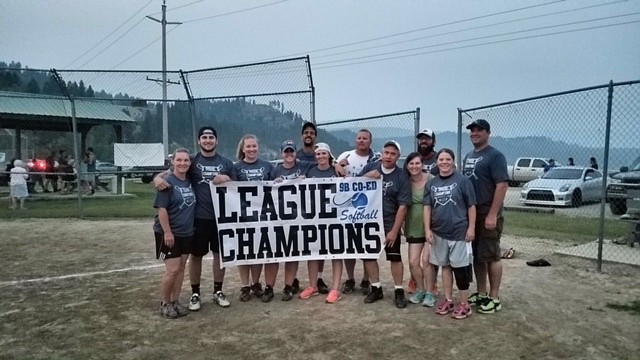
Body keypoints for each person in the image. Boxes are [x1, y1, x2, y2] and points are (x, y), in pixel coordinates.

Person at [154, 126, 236, 311]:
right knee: (196, 256)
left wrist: (226, 178)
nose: (208, 140)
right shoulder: (191, 160)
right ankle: (195, 293)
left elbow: (239, 184)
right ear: (199, 141)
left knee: (219, 255)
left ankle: (218, 291)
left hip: (221, 218)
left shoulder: (226, 162)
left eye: (211, 137)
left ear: (217, 140)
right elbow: (170, 173)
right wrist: (156, 178)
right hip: (197, 218)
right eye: (204, 137)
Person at [462, 119, 509, 314]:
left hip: (488, 212)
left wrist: (492, 214)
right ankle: (481, 293)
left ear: (488, 133)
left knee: (492, 254)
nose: (474, 133)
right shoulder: (469, 155)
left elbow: (502, 184)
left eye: (479, 130)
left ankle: (494, 297)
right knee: (478, 256)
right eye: (472, 130)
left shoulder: (495, 156)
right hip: (473, 213)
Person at [425, 148, 477, 319]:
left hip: (458, 231)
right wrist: (428, 229)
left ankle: (464, 304)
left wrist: (471, 228)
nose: (444, 162)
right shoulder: (432, 183)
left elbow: (471, 206)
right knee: (445, 267)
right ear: (437, 162)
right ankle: (448, 299)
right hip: (439, 231)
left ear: (453, 161)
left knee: (460, 268)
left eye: (448, 159)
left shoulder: (462, 181)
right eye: (441, 159)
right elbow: (427, 207)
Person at [359, 140, 411, 308]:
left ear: (398, 157)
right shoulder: (371, 167)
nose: (389, 156)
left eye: (393, 154)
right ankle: (376, 287)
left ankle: (398, 290)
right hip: (369, 221)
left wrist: (395, 230)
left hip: (389, 221)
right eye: (386, 152)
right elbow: (352, 184)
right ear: (382, 153)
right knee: (369, 256)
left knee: (395, 257)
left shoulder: (401, 176)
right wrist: (367, 176)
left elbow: (403, 206)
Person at [297, 142, 344, 303]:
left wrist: (338, 166)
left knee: (336, 252)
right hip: (315, 217)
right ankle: (313, 285)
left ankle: (336, 288)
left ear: (329, 155)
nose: (321, 156)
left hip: (335, 216)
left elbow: (347, 183)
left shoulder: (335, 170)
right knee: (313, 251)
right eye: (318, 154)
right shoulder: (310, 170)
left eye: (324, 153)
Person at [336, 129, 381, 295]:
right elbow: (336, 172)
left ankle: (365, 279)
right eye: (359, 138)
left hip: (368, 209)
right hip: (347, 208)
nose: (361, 141)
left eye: (365, 138)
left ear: (370, 141)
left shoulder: (376, 157)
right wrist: (338, 166)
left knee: (367, 246)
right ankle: (350, 278)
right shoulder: (346, 155)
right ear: (355, 140)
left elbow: (380, 174)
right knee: (349, 247)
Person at [153, 148, 196, 319]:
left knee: (181, 268)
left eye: (186, 160)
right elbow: (162, 209)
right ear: (173, 162)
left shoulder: (190, 181)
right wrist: (167, 232)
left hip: (186, 232)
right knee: (172, 269)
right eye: (179, 160)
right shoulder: (166, 182)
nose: (182, 163)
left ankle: (175, 301)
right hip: (168, 233)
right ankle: (165, 303)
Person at [234, 134, 276, 302]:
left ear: (258, 147)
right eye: (248, 146)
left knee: (259, 250)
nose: (251, 149)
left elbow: (275, 188)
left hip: (263, 215)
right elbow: (229, 188)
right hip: (243, 216)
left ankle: (256, 283)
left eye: (254, 146)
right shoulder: (236, 167)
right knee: (244, 251)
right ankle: (245, 285)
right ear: (242, 149)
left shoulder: (267, 166)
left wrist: (280, 182)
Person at [270, 140, 312, 300]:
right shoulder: (275, 170)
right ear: (281, 153)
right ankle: (270, 286)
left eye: (291, 151)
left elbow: (324, 162)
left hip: (298, 217)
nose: (289, 154)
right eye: (286, 152)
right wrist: (273, 183)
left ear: (296, 153)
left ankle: (288, 285)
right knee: (275, 252)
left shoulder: (304, 167)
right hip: (279, 217)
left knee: (292, 253)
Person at [296, 121, 329, 294]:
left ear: (315, 136)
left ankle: (319, 277)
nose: (309, 135)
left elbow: (332, 165)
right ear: (302, 136)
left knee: (320, 245)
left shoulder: (321, 155)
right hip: (301, 207)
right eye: (306, 132)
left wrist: (339, 164)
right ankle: (293, 279)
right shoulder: (296, 154)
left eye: (312, 133)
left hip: (322, 209)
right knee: (299, 243)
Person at [402, 152, 437, 307]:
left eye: (417, 163)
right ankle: (421, 289)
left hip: (431, 226)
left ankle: (430, 292)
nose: (414, 166)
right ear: (407, 165)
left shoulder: (431, 179)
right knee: (413, 262)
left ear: (422, 165)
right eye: (411, 163)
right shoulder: (405, 182)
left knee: (426, 260)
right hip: (413, 225)